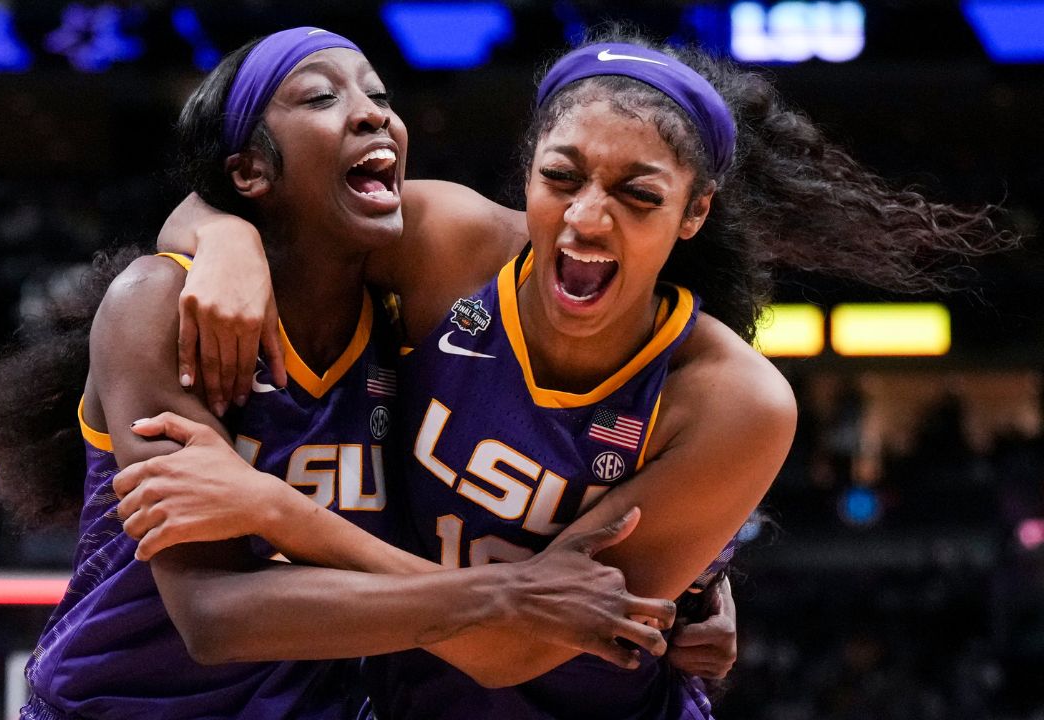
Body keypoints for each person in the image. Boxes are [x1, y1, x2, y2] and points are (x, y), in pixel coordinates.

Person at [117, 23, 1014, 719]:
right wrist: (218, 234)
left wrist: (279, 512)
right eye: (563, 177)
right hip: (391, 695)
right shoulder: (444, 244)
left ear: (694, 214)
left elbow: (507, 647)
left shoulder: (734, 400)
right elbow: (284, 206)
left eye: (638, 195)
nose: (589, 218)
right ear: (527, 177)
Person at [0, 27, 707, 720]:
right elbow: (212, 618)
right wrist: (507, 597)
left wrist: (705, 577)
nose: (372, 115)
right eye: (323, 97)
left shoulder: (406, 321)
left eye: (380, 97)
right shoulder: (160, 303)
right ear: (248, 170)